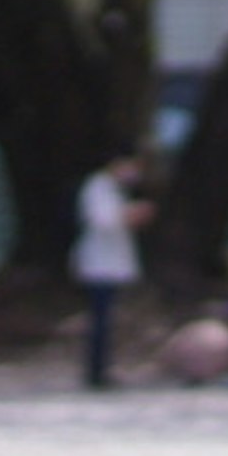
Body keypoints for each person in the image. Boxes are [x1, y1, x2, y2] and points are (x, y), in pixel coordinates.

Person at [73, 153, 150, 389]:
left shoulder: (113, 189)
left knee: (106, 321)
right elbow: (102, 220)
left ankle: (102, 368)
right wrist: (129, 214)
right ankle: (96, 372)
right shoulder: (98, 186)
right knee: (99, 321)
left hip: (108, 264)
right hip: (99, 265)